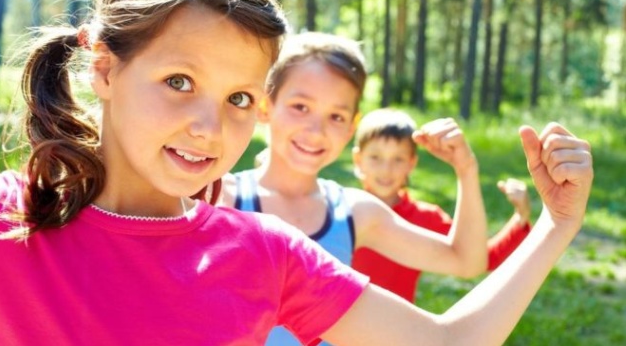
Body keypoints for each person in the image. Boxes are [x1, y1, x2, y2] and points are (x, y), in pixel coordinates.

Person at [0, 0, 593, 345]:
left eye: (238, 99)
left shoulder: (266, 253)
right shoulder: (8, 218)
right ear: (104, 69)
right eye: (179, 82)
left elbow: (450, 339)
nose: (209, 128)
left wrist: (556, 224)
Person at [219, 32, 587, 346]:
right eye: (300, 106)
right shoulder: (220, 200)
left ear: (351, 127)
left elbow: (467, 259)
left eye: (336, 116)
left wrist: (466, 170)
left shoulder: (354, 212)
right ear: (266, 105)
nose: (316, 130)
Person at [350, 108, 533, 303]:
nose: (386, 170)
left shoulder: (425, 218)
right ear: (358, 160)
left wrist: (520, 219)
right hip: (327, 332)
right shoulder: (340, 209)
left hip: (394, 331)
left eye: (398, 159)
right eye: (375, 157)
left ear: (411, 164)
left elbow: (481, 259)